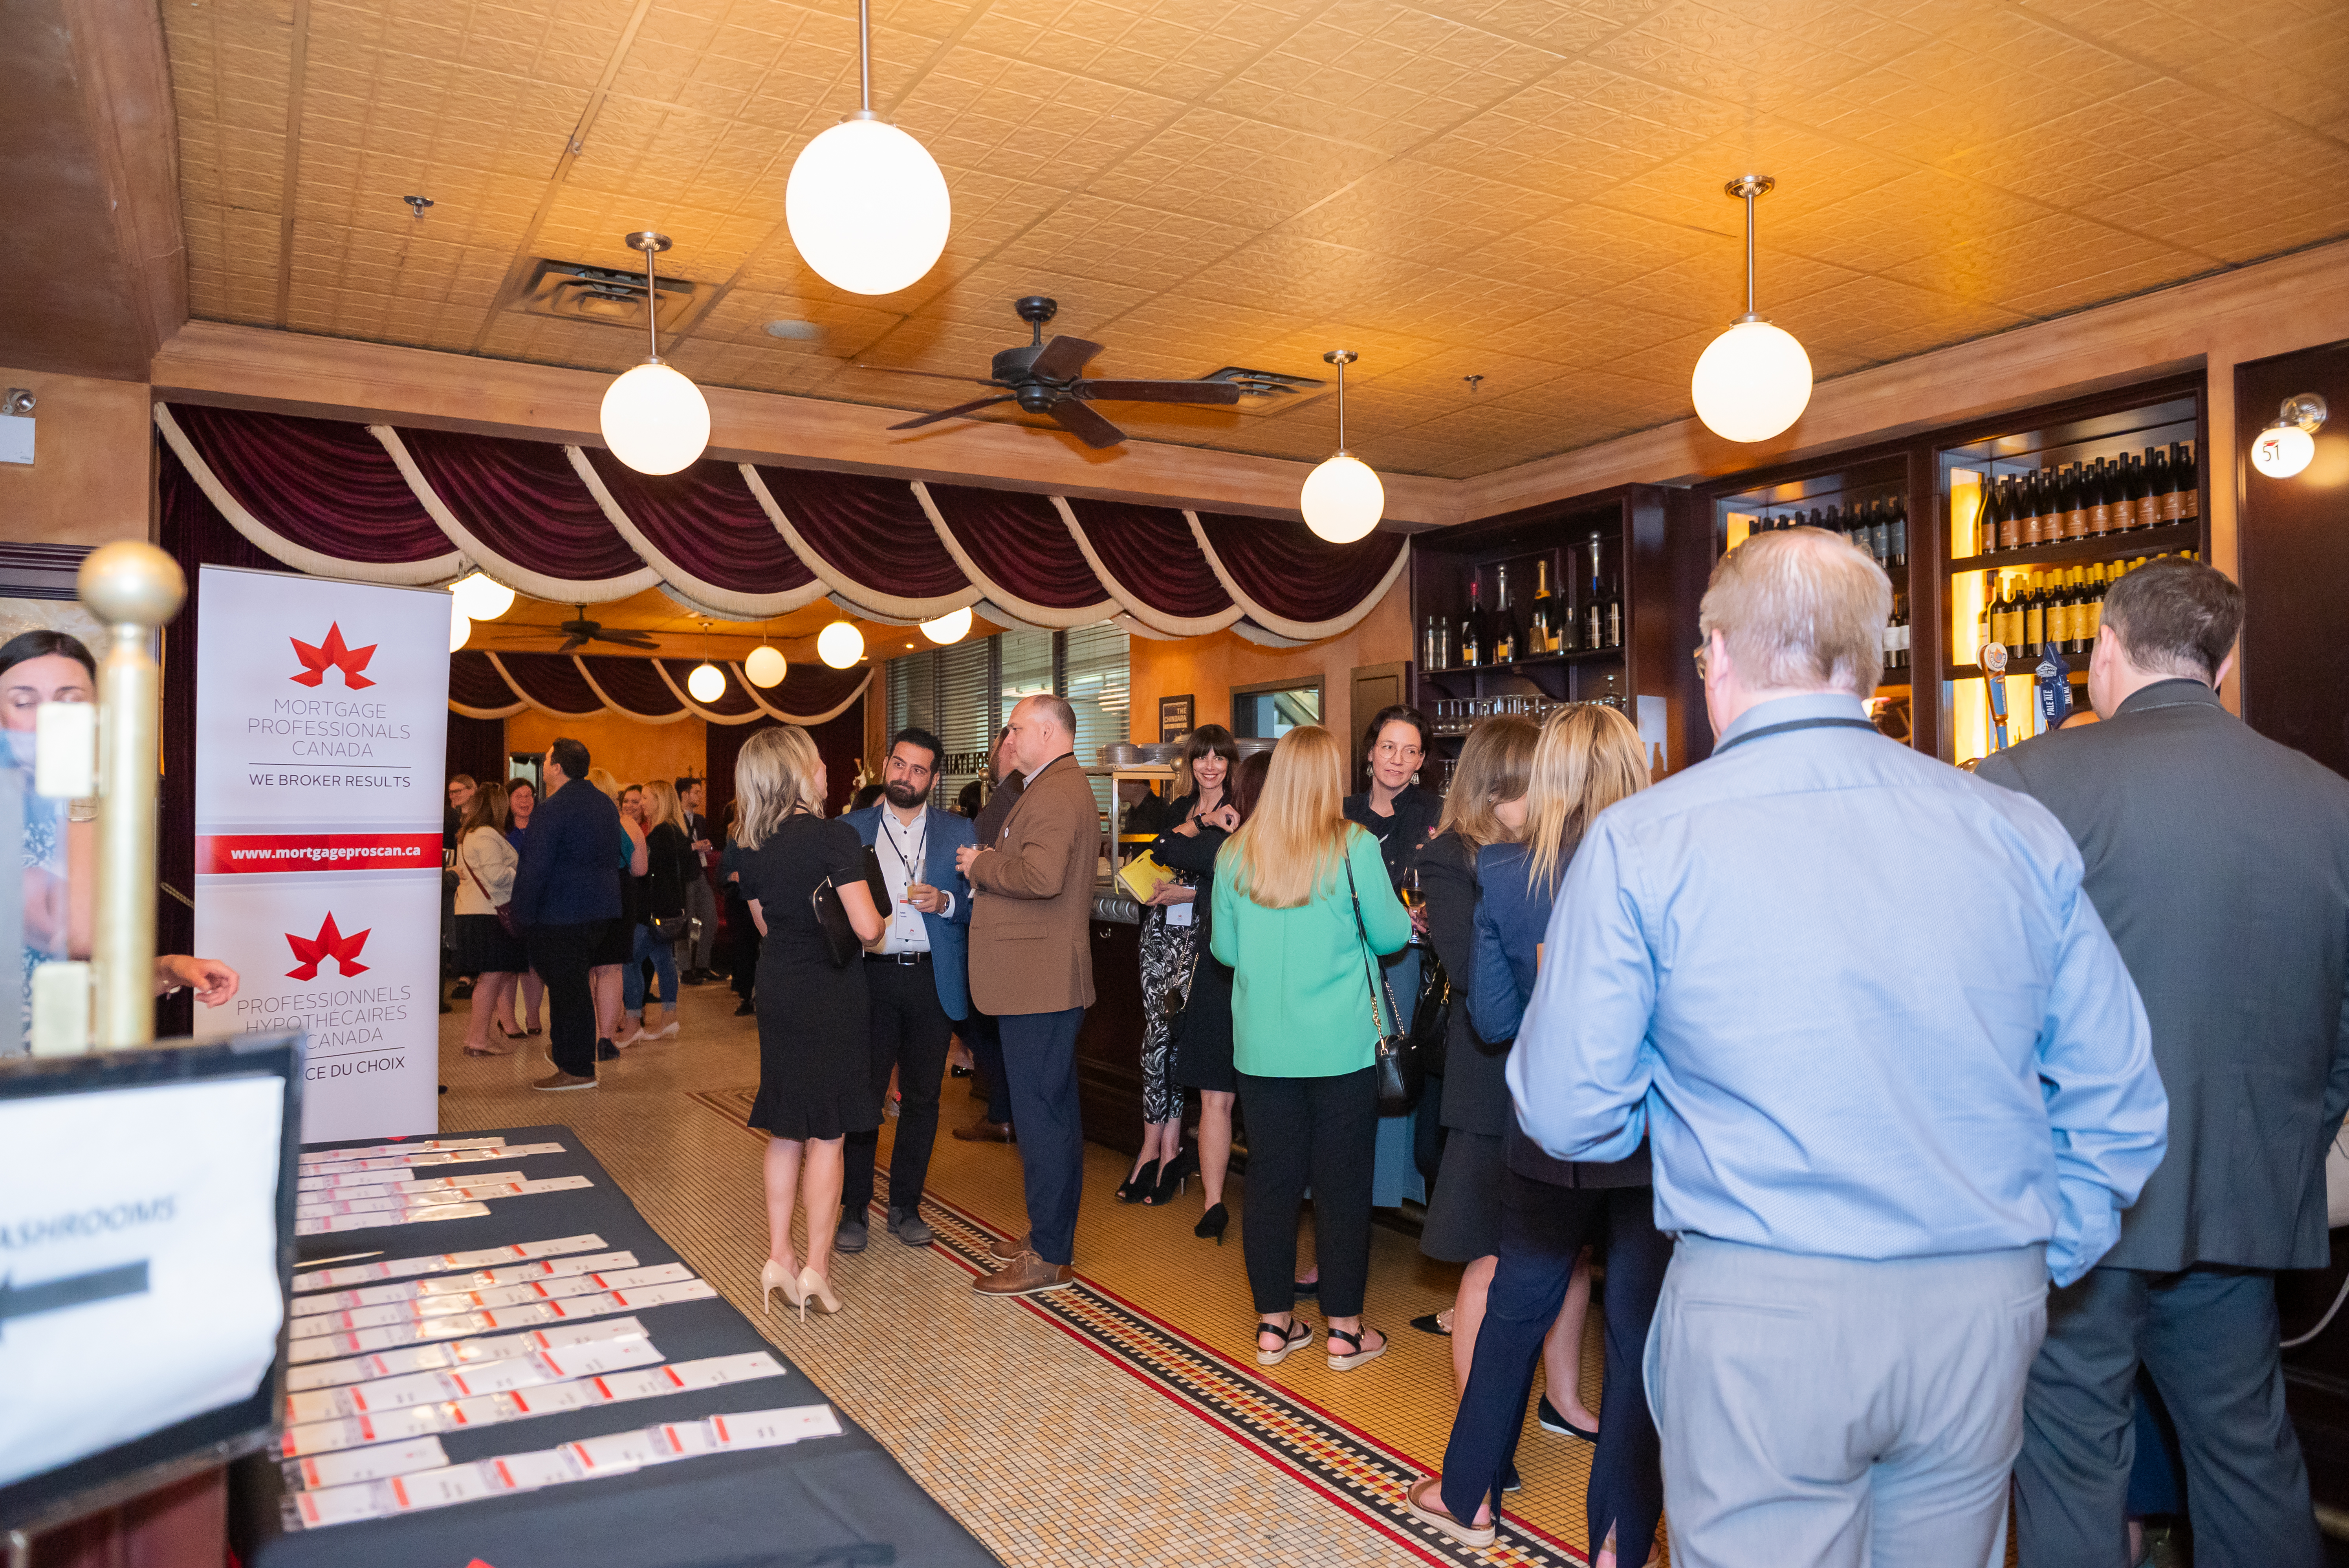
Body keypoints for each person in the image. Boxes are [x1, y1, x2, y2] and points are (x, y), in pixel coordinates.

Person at [1508, 526, 2169, 1568]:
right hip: (1979, 1299)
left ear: (1718, 656)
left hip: (1763, 1301)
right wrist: (2039, 1253)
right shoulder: (2012, 829)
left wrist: (1677, 1106)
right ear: (1866, 665)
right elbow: (2119, 1104)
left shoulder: (1644, 840)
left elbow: (1565, 1109)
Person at [1978, 558, 2349, 1568]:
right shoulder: (2329, 804)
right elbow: (2344, 1035)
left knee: (2068, 1463)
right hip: (2241, 1196)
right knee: (2245, 1456)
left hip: (2069, 1204)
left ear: (2102, 649)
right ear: (2221, 664)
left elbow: (1973, 999)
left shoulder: (2022, 781)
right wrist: (2284, 1145)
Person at [1409, 706, 1668, 1566]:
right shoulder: (1672, 861)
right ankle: (1618, 1544)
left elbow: (1489, 1017)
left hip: (1549, 1129)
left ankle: (1466, 1492)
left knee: (1516, 1303)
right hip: (1648, 1132)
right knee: (1634, 1336)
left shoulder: (1511, 868)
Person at [1211, 724, 1411, 1373]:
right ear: (1327, 779)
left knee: (1269, 1186)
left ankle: (1274, 1327)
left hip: (1264, 1052)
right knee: (1342, 1190)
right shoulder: (1354, 845)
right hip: (1341, 1051)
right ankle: (1345, 1333)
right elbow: (1389, 937)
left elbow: (1226, 951)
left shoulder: (1235, 853)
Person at [1, 630, 238, 1039]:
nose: (50, 720)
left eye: (69, 701)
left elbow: (86, 980)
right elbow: (77, 935)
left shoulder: (90, 809)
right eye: (25, 701)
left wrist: (169, 969)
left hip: (69, 1066)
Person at [734, 725, 885, 1320]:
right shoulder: (835, 838)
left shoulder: (750, 846)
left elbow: (767, 927)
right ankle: (817, 1270)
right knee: (829, 1131)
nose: (827, 773)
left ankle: (778, 1256)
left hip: (778, 990)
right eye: (819, 764)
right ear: (798, 772)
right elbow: (870, 929)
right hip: (832, 994)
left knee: (786, 1125)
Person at [954, 695, 1100, 1297]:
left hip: (1038, 981)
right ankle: (1050, 1237)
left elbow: (1041, 878)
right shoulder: (1050, 785)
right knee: (1051, 1113)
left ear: (1046, 731)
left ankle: (1048, 1254)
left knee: (1042, 1119)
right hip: (1035, 979)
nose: (1009, 740)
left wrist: (983, 864)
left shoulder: (1058, 791)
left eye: (1016, 729)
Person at [1408, 716, 1544, 1360]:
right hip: (1487, 1072)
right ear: (1502, 782)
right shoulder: (1450, 854)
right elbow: (1466, 970)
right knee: (1488, 1255)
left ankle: (1563, 1400)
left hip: (1544, 1072)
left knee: (1557, 1257)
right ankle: (1474, 1429)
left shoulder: (1544, 851)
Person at [841, 727, 975, 1251]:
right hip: (868, 976)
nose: (906, 776)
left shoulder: (958, 831)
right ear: (886, 765)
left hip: (929, 976)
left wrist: (946, 903)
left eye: (919, 770)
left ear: (934, 779)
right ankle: (853, 1209)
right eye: (900, 765)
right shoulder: (850, 830)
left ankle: (906, 1206)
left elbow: (977, 905)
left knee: (922, 1099)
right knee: (863, 1096)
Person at [1123, 724, 1239, 1206]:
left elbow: (1233, 879)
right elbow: (1161, 850)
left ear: (1230, 763)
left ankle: (1170, 1155)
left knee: (1178, 1046)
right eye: (1200, 757)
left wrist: (1186, 890)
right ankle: (1157, 1144)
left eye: (1219, 757)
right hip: (1160, 937)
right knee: (1154, 1043)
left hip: (1204, 942)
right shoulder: (1178, 809)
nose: (1209, 766)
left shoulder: (1242, 813)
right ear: (1189, 763)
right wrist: (1197, 824)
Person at [1161, 746, 1269, 1242]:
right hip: (1269, 982)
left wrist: (1204, 820)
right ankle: (1271, 1200)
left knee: (1215, 1101)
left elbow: (1163, 846)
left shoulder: (1225, 844)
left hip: (1216, 977)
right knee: (1269, 1101)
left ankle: (1212, 1201)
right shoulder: (1294, 849)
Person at [1345, 704, 1441, 1209]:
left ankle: (1382, 1193)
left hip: (1402, 960)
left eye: (1410, 751)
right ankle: (1341, 1188)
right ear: (1370, 751)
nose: (1397, 760)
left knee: (1389, 1069)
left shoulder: (1434, 814)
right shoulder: (1339, 811)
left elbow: (1445, 886)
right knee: (1344, 1073)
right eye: (1388, 747)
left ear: (1422, 759)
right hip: (1340, 961)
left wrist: (1434, 913)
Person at [511, 737, 623, 1091]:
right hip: (599, 910)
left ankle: (576, 1068)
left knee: (567, 989)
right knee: (572, 984)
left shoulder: (553, 808)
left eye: (546, 761)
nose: (544, 767)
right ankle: (568, 1053)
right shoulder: (604, 803)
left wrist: (520, 915)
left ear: (557, 768)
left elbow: (535, 868)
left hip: (560, 913)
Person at [950, 726, 1022, 1147]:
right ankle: (1002, 1110)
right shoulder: (1023, 793)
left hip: (994, 927)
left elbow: (973, 861)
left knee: (978, 1020)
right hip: (1010, 927)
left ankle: (1001, 1113)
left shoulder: (1005, 799)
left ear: (1006, 746)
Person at [451, 780, 528, 1058]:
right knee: (491, 978)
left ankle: (476, 1037)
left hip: (477, 913)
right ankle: (478, 1038)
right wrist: (520, 873)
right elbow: (496, 877)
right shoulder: (486, 834)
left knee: (489, 978)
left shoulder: (471, 834)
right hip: (488, 915)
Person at [617, 778, 691, 1046]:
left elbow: (645, 873)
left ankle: (633, 1023)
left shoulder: (660, 834)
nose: (641, 803)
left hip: (650, 912)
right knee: (663, 962)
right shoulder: (674, 831)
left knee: (630, 963)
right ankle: (669, 1018)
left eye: (646, 798)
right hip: (667, 910)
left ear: (660, 801)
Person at [592, 772, 649, 1057]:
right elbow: (639, 869)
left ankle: (587, 1033)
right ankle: (606, 1039)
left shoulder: (581, 824)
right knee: (612, 969)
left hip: (586, 894)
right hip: (620, 893)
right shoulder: (628, 825)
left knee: (587, 968)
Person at [503, 778, 544, 1036]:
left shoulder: (543, 828)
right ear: (508, 801)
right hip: (508, 905)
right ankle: (507, 1020)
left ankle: (533, 1016)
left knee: (534, 966)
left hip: (539, 905)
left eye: (529, 795)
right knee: (508, 966)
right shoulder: (501, 832)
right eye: (519, 796)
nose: (525, 801)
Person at [674, 775, 721, 984]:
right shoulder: (674, 819)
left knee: (711, 919)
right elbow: (673, 850)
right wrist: (694, 847)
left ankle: (703, 965)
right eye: (697, 792)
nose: (701, 795)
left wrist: (707, 846)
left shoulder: (700, 820)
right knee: (685, 924)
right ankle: (685, 970)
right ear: (684, 794)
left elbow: (705, 846)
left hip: (701, 873)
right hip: (683, 877)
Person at [718, 799, 759, 1018]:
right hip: (741, 901)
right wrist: (732, 876)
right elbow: (724, 874)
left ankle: (755, 993)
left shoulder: (768, 834)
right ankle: (746, 996)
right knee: (745, 948)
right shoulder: (735, 838)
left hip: (762, 899)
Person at [442, 773, 477, 1007]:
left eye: (459, 791)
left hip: (472, 878)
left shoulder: (479, 818)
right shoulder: (447, 816)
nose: (454, 796)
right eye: (451, 792)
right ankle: (460, 971)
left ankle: (470, 976)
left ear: (472, 791)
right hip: (451, 875)